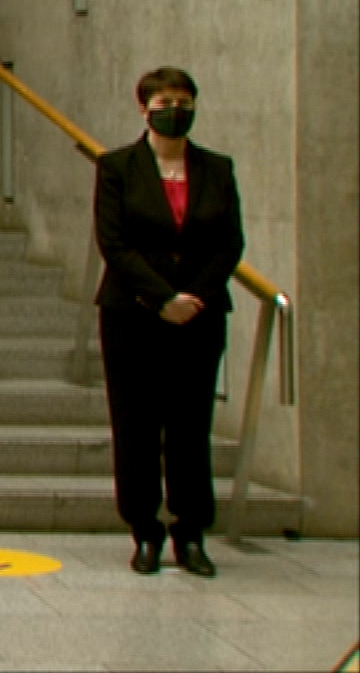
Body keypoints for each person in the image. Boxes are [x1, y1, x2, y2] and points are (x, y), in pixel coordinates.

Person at [95, 67, 244, 579]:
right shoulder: (117, 168)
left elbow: (230, 243)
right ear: (144, 108)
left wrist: (192, 297)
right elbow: (114, 244)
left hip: (198, 318)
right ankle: (144, 532)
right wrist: (160, 298)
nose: (174, 108)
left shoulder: (217, 170)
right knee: (135, 425)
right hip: (132, 315)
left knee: (190, 425)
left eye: (183, 100)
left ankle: (192, 532)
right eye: (164, 100)